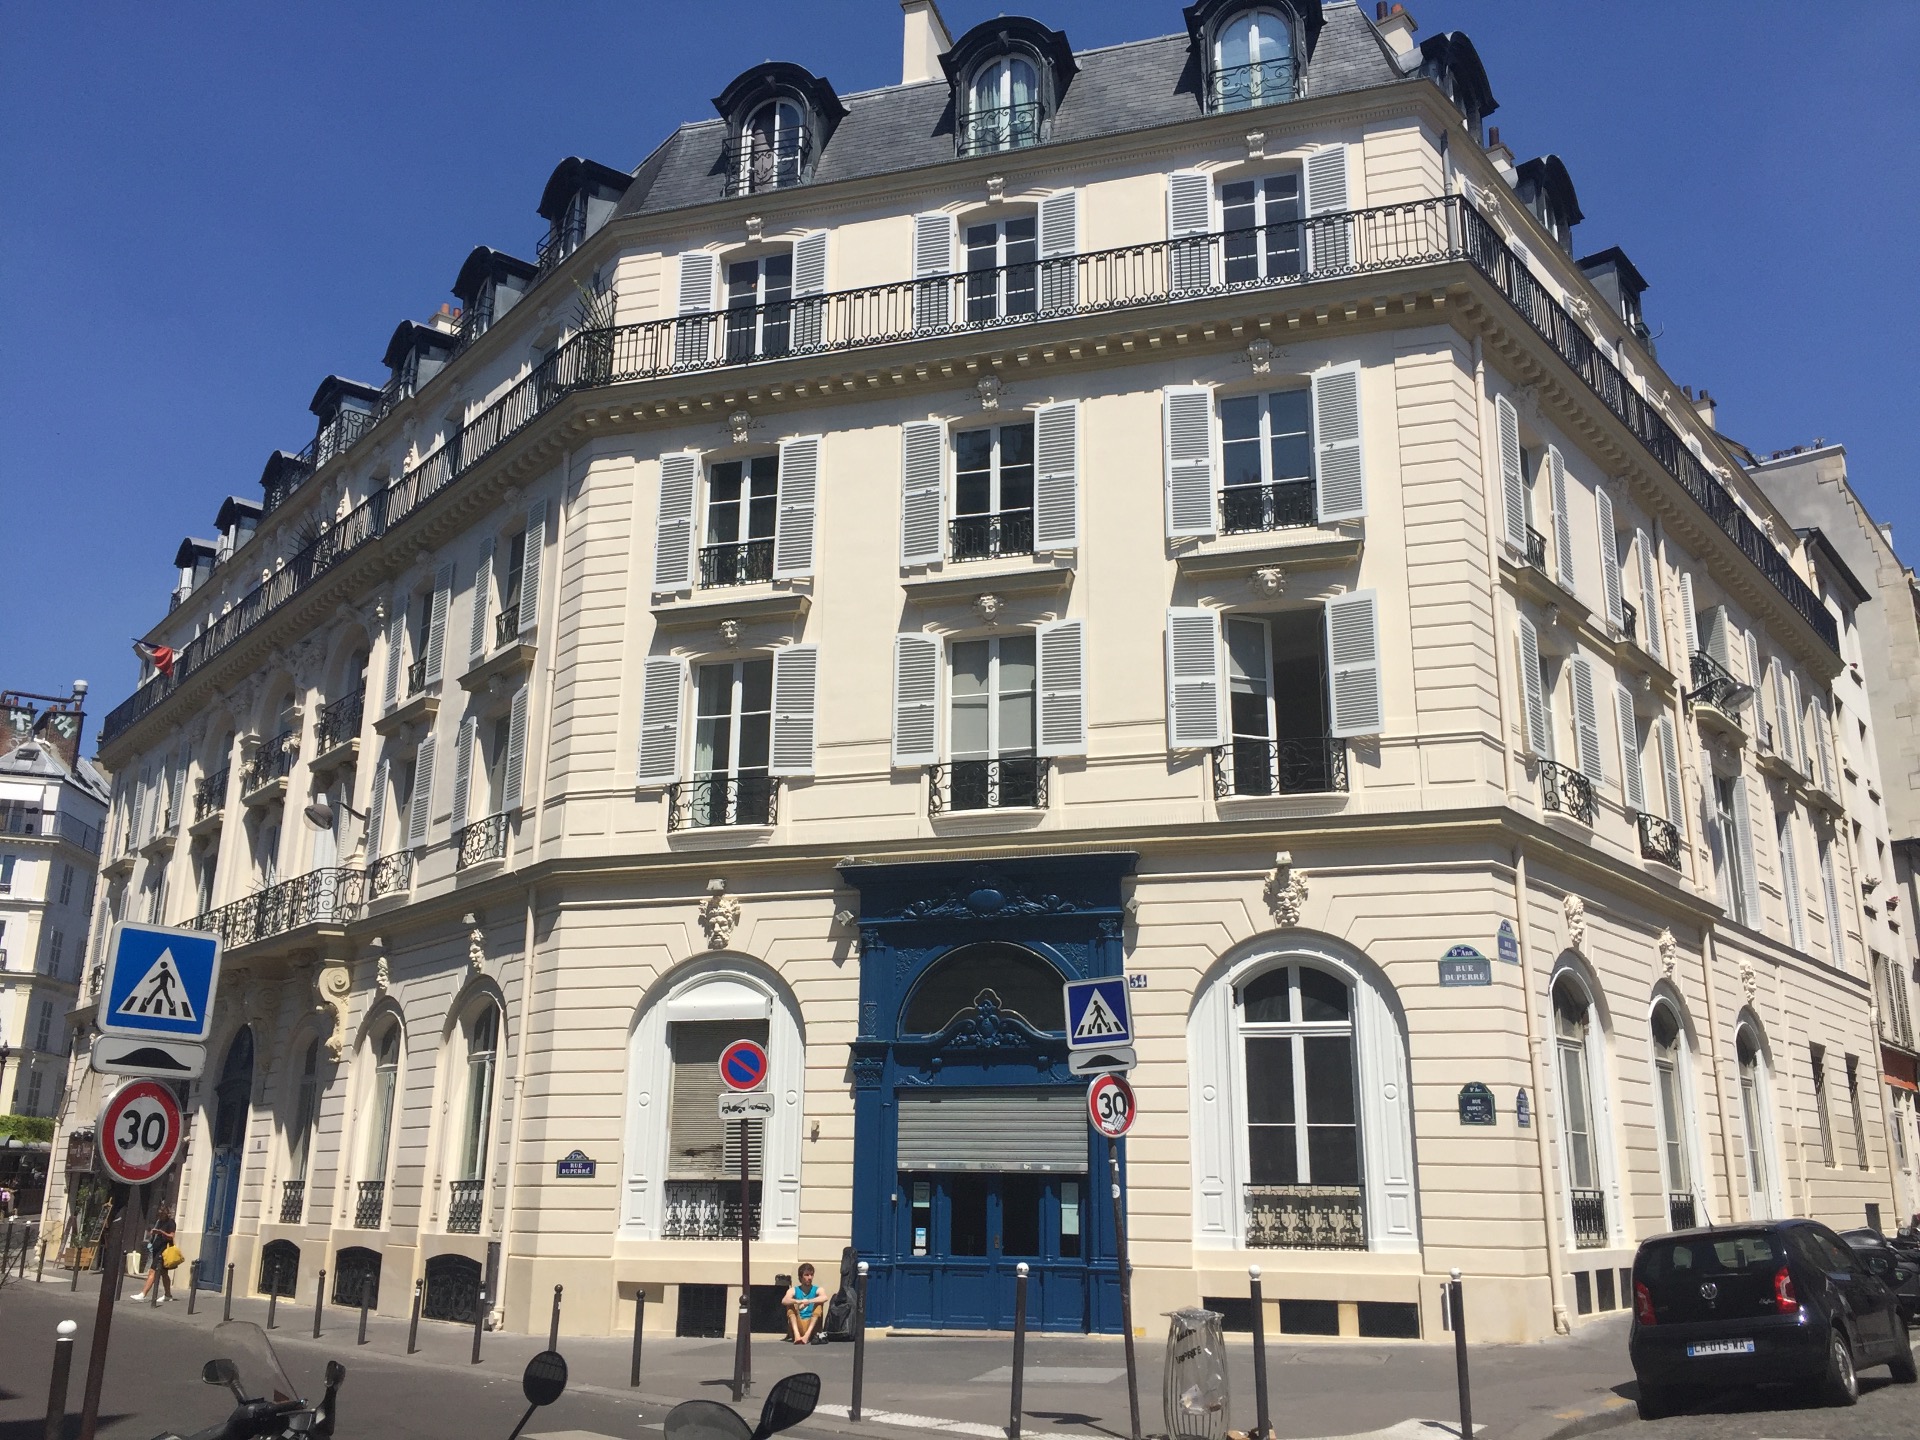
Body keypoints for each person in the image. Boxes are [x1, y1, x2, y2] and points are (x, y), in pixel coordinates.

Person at [135, 1203, 176, 1302]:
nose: (160, 1215)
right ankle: (168, 1295)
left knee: (152, 1271)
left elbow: (171, 1236)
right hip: (156, 1249)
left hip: (164, 1250)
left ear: (166, 1213)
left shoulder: (171, 1222)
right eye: (159, 1214)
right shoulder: (159, 1221)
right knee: (164, 1273)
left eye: (162, 1214)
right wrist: (152, 1234)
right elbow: (154, 1234)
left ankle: (143, 1294)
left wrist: (161, 1232)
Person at [782, 1263, 821, 1344]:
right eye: (806, 1275)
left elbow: (825, 1297)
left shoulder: (817, 1289)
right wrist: (799, 1301)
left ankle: (807, 1336)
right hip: (798, 1324)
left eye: (811, 1275)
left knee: (819, 1304)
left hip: (811, 1326)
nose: (810, 1277)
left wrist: (809, 1301)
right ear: (800, 1277)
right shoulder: (794, 1290)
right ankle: (797, 1335)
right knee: (790, 1305)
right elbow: (784, 1300)